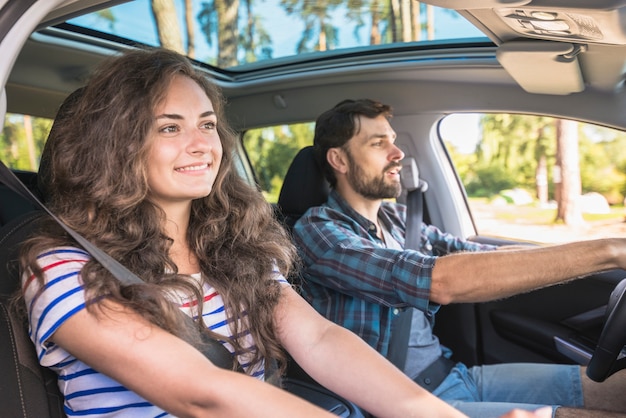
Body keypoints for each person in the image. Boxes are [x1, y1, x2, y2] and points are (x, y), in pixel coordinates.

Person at [15, 47, 551, 418]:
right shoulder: (65, 269)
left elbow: (320, 339)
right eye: (169, 128)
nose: (202, 143)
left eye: (206, 123)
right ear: (116, 148)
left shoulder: (234, 251)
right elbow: (204, 396)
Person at [291, 98, 626, 418]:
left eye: (393, 141)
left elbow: (486, 257)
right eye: (378, 144)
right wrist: (609, 251)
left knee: (618, 387)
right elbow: (438, 280)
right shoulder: (318, 231)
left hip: (453, 376)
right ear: (339, 160)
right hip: (394, 403)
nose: (397, 153)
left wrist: (578, 255)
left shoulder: (399, 220)